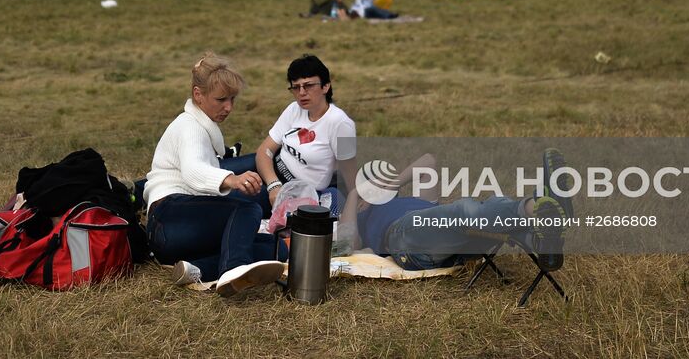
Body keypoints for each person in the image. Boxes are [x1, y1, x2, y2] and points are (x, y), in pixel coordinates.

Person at [145, 54, 285, 295]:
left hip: (173, 237)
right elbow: (192, 171)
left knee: (276, 248)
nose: (228, 107)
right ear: (198, 95)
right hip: (168, 218)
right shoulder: (189, 127)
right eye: (221, 99)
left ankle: (197, 269)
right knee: (248, 209)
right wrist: (232, 179)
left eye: (232, 99)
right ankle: (234, 270)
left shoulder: (200, 126)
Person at [350, 149, 572, 271]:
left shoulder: (419, 201)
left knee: (486, 217)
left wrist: (387, 188)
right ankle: (536, 207)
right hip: (403, 239)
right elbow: (349, 243)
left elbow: (428, 162)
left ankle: (540, 242)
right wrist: (355, 196)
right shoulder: (362, 214)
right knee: (465, 210)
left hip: (455, 245)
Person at [249, 56, 358, 229]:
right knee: (220, 173)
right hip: (270, 173)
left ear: (326, 86)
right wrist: (273, 185)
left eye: (308, 85)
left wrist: (355, 206)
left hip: (295, 191)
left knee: (233, 201)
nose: (301, 93)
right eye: (295, 87)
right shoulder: (294, 109)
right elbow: (264, 151)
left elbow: (350, 175)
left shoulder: (341, 124)